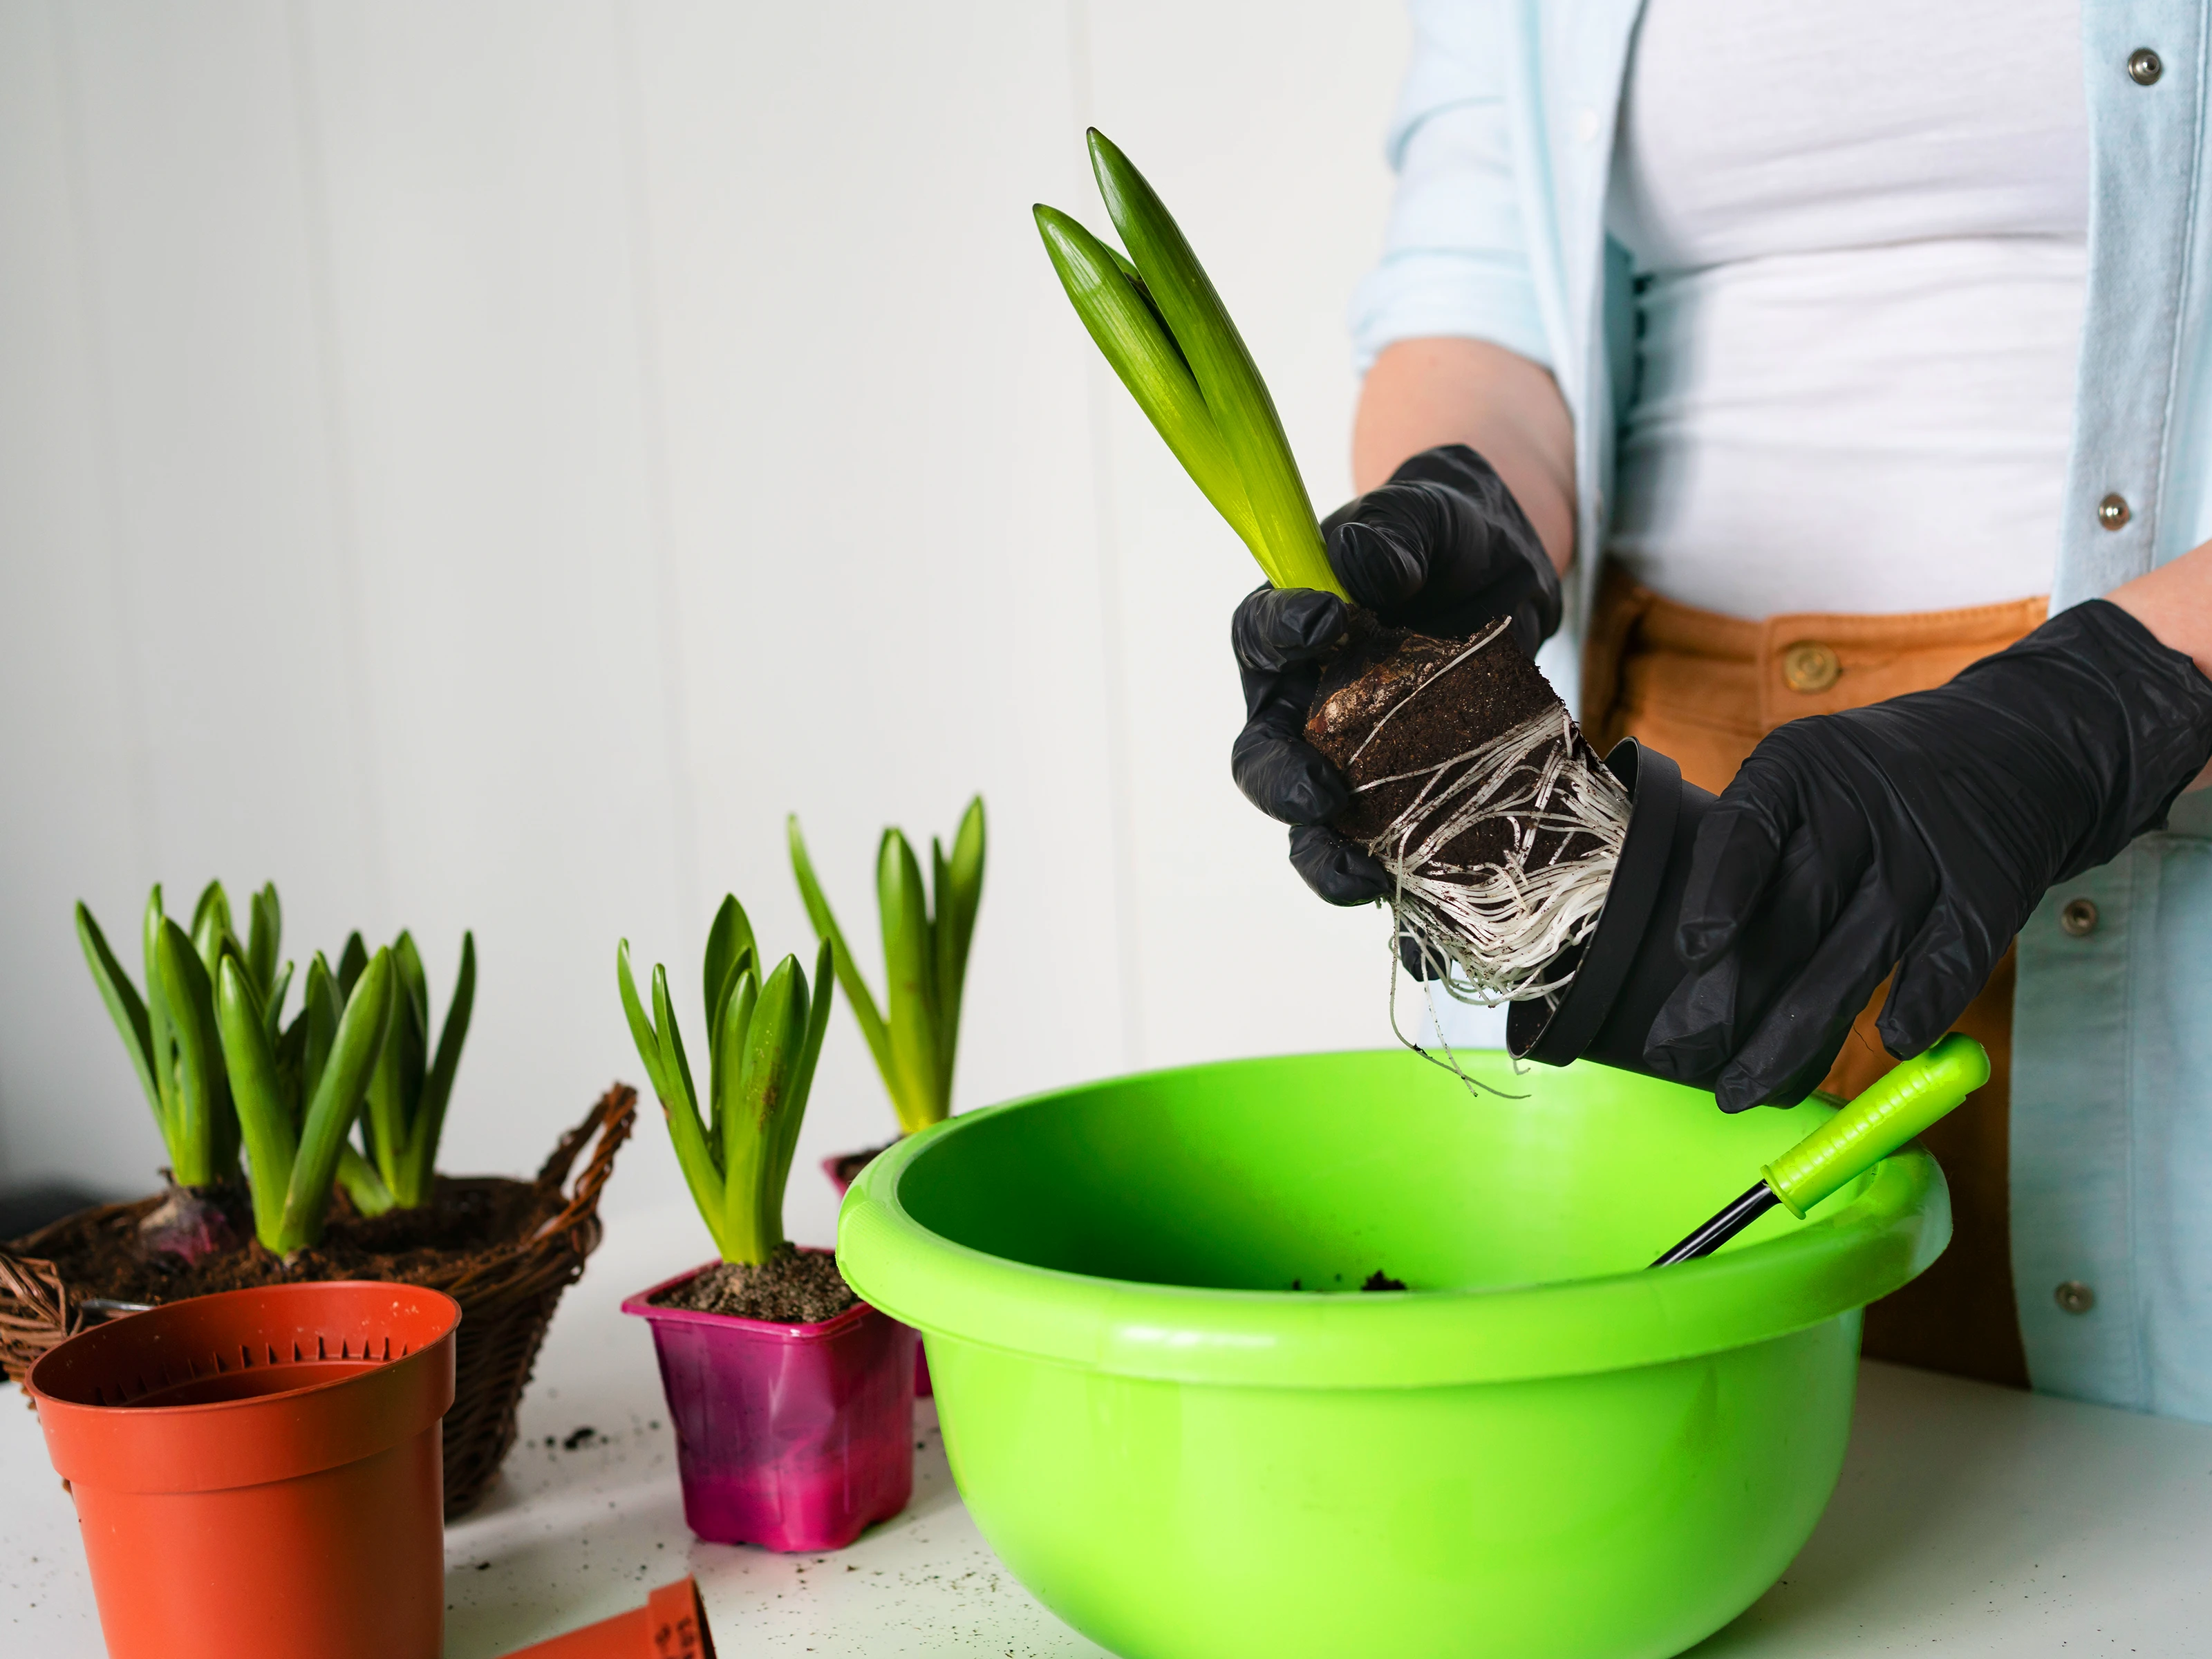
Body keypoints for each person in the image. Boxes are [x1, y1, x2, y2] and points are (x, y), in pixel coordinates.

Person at [1229, 0, 2212, 1421]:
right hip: (1672, 823)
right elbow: (1482, 290)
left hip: (2140, 780)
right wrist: (1465, 518)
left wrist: (2109, 704)